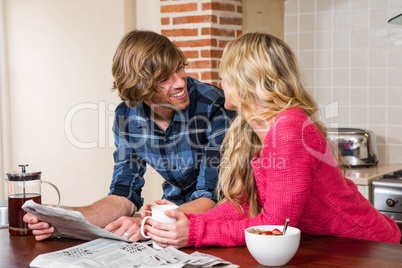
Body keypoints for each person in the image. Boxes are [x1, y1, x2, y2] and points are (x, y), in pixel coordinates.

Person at [140, 32, 401, 249]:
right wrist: (182, 217)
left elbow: (275, 225)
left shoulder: (290, 130)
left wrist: (196, 231)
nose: (220, 84)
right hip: (328, 246)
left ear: (245, 81)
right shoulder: (254, 130)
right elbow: (243, 206)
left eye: (225, 76)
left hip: (369, 248)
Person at [23, 30, 236, 242]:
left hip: (216, 221)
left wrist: (149, 224)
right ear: (141, 87)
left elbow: (211, 196)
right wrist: (65, 219)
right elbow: (123, 194)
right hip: (168, 218)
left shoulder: (214, 106)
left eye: (179, 68)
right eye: (164, 78)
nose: (180, 82)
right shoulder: (126, 116)